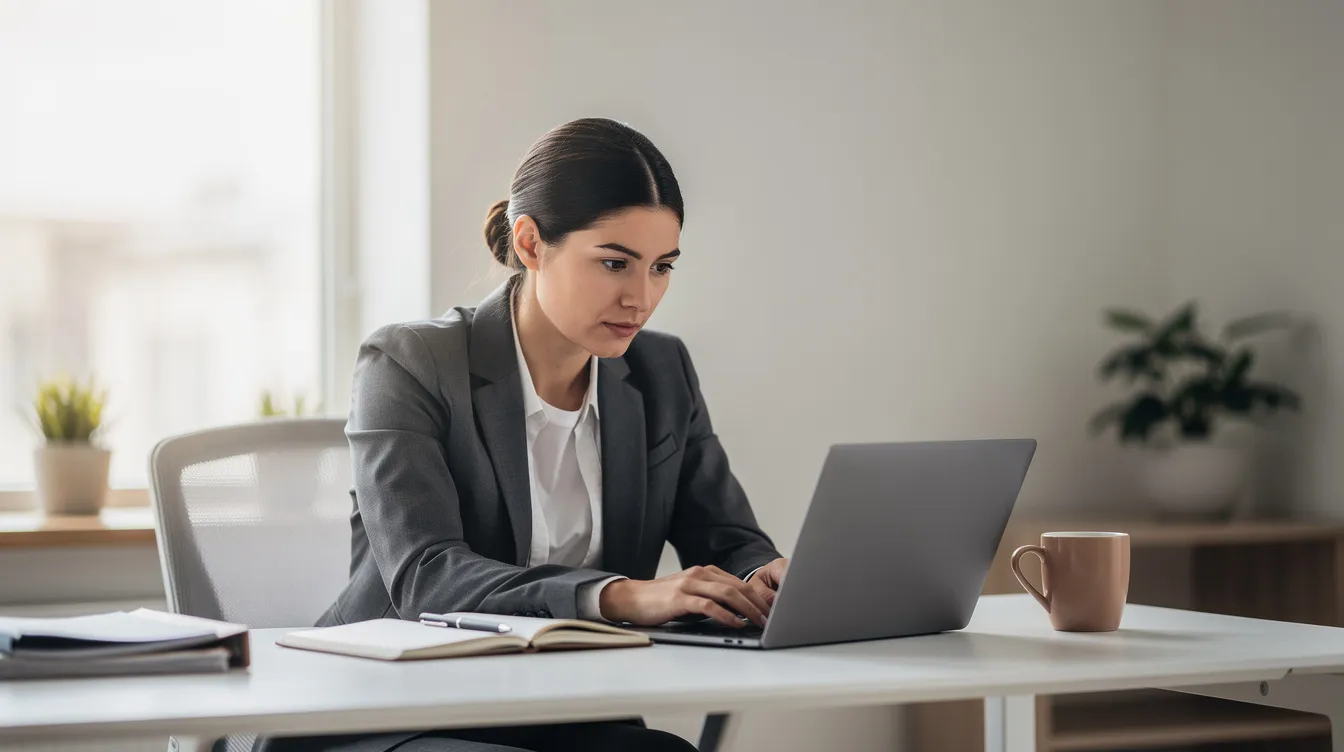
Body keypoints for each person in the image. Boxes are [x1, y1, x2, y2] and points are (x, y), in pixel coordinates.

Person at [256, 117, 788, 752]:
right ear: (532, 243)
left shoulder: (661, 371)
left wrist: (767, 576)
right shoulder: (408, 363)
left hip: (561, 708)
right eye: (614, 263)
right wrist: (616, 597)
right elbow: (427, 575)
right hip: (385, 710)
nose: (641, 298)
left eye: (661, 267)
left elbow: (728, 539)